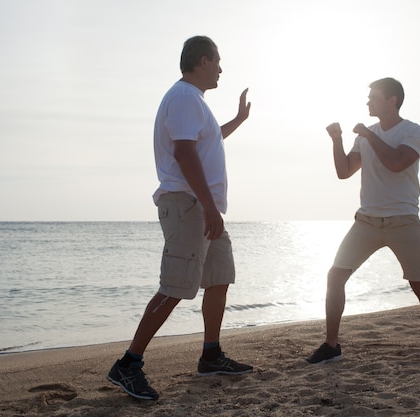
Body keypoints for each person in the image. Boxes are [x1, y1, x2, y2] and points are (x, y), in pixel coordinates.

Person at [107, 36, 253, 401]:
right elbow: (185, 154)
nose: (221, 70)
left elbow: (209, 142)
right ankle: (128, 363)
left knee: (219, 276)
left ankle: (211, 354)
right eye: (217, 63)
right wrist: (207, 205)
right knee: (175, 286)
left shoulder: (195, 102)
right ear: (203, 61)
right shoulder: (185, 97)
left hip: (202, 207)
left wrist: (238, 120)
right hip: (189, 205)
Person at [306, 77, 420, 366]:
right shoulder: (364, 136)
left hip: (404, 221)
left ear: (392, 100)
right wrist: (337, 141)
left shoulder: (413, 131)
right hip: (367, 221)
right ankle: (331, 345)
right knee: (335, 276)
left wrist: (367, 134)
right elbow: (344, 171)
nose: (368, 102)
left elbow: (397, 162)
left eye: (374, 97)